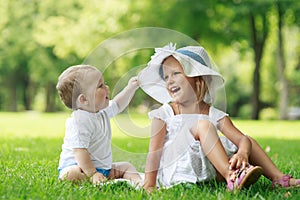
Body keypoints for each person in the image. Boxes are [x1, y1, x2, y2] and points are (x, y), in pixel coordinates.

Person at [138, 43, 300, 191]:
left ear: (198, 79)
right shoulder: (164, 114)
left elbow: (242, 139)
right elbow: (155, 151)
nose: (169, 81)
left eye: (176, 73)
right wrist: (150, 184)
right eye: (166, 77)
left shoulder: (213, 114)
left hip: (205, 168)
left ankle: (279, 179)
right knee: (203, 125)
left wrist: (243, 152)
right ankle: (232, 176)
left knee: (247, 140)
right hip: (176, 169)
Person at [56, 64, 142, 186]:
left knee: (126, 167)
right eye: (100, 86)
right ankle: (92, 179)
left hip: (103, 168)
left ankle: (139, 183)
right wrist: (92, 173)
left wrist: (130, 88)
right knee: (70, 174)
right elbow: (79, 151)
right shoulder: (80, 120)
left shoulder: (102, 111)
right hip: (79, 167)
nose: (106, 87)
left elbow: (118, 104)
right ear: (84, 99)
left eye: (104, 83)